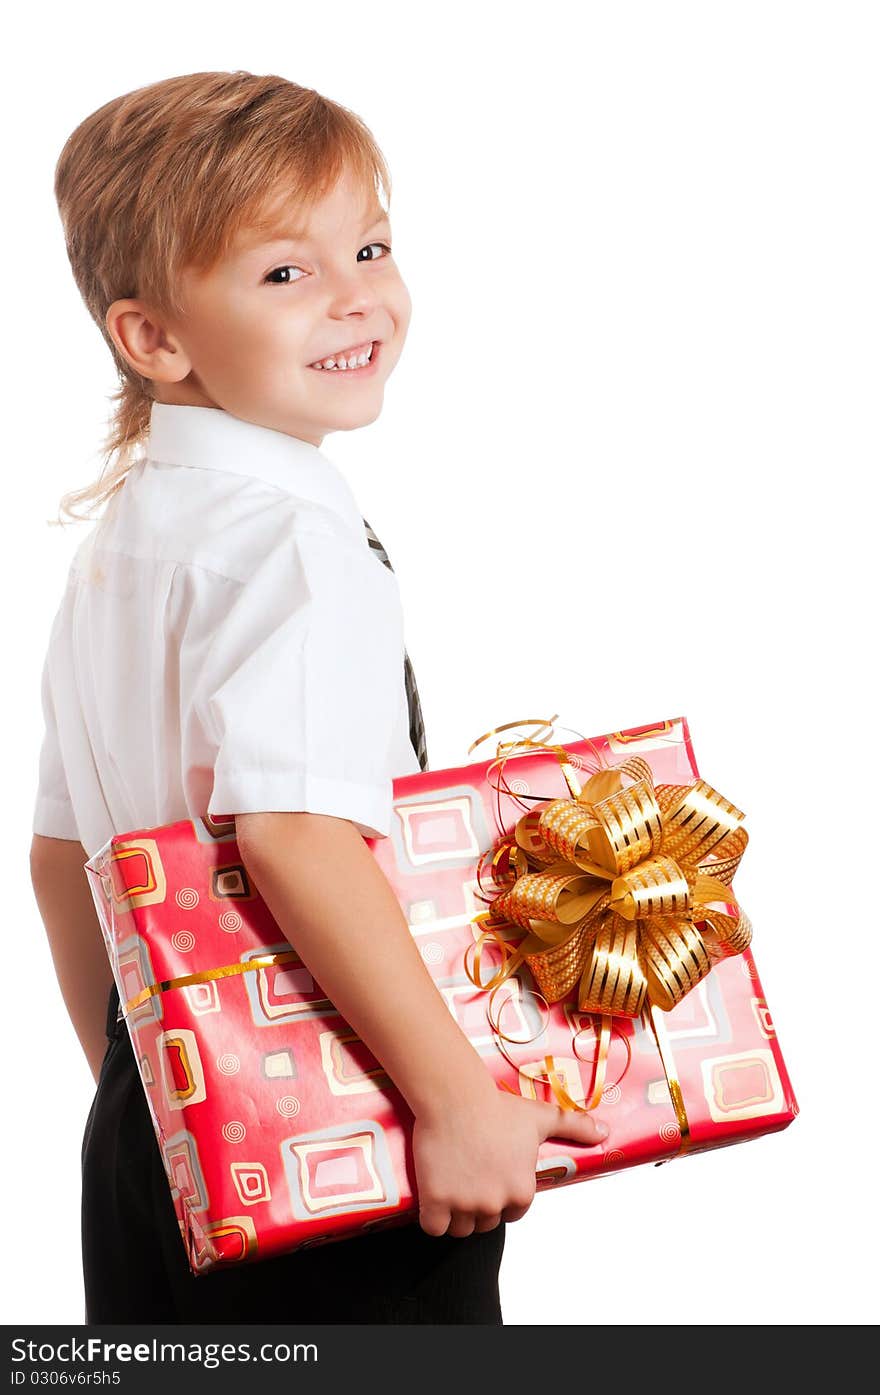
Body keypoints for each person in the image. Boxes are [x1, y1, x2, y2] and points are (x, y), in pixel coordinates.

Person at [29, 70, 609, 1325]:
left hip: (154, 1116)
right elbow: (292, 833)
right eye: (284, 274)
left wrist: (160, 1099)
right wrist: (455, 1102)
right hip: (344, 1118)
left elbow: (63, 854)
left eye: (370, 245)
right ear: (155, 338)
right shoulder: (294, 543)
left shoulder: (126, 545)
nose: (356, 296)